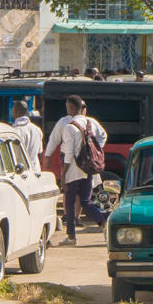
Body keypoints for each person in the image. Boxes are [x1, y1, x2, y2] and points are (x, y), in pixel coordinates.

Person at [43, 94, 108, 245]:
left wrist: (63, 175)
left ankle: (71, 237)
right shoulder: (90, 122)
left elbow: (69, 153)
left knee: (69, 203)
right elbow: (102, 136)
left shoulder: (68, 126)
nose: (67, 109)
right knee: (86, 201)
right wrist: (96, 152)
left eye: (68, 106)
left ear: (72, 108)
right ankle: (104, 223)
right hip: (88, 168)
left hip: (72, 169)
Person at [10, 100, 43, 172]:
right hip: (35, 170)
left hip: (20, 171)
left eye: (12, 109)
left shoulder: (14, 131)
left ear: (16, 111)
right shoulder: (37, 129)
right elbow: (40, 153)